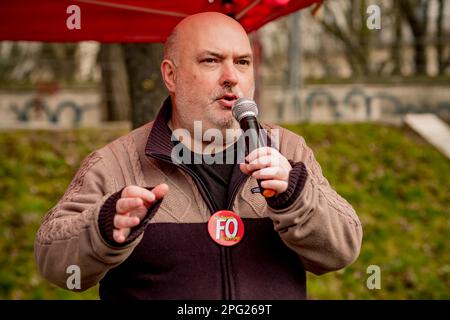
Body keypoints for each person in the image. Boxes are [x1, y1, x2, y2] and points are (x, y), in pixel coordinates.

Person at [35, 12, 362, 300]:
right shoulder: (115, 163)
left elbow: (342, 250)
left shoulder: (289, 151)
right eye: (211, 60)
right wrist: (103, 229)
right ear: (170, 76)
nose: (231, 75)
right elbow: (55, 263)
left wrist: (296, 198)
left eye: (242, 62)